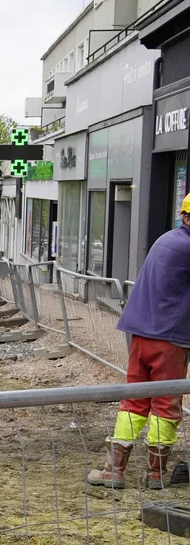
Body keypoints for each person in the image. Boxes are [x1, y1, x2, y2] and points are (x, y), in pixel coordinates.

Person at [86, 193, 190, 490]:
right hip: (170, 337)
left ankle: (113, 470)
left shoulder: (167, 240)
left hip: (141, 331)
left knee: (134, 400)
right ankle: (156, 473)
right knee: (166, 403)